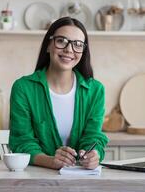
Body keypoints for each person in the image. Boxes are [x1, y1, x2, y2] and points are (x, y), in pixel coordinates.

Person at [9, 17, 109, 170]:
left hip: (81, 181)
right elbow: (22, 142)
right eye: (62, 41)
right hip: (35, 179)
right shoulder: (23, 88)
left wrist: (93, 154)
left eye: (77, 44)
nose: (69, 49)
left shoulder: (95, 90)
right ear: (48, 45)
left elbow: (93, 136)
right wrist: (50, 161)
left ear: (83, 51)